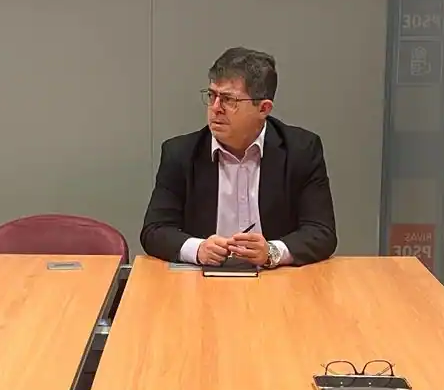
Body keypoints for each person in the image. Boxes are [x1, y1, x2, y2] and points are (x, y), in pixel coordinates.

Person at [140, 47, 336, 268]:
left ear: (263, 108)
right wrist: (198, 249)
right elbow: (154, 231)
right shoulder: (181, 153)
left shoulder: (301, 150)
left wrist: (271, 251)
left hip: (275, 281)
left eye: (228, 100)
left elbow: (321, 233)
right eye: (212, 95)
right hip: (203, 282)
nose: (215, 109)